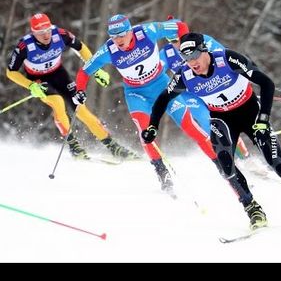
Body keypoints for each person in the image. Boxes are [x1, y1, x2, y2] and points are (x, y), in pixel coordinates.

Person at [142, 32, 281, 233]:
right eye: (186, 57)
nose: (191, 62)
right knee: (226, 168)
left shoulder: (227, 59)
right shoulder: (185, 75)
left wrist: (263, 119)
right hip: (222, 119)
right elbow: (162, 99)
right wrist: (152, 126)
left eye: (194, 55)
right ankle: (252, 209)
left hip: (251, 112)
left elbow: (266, 83)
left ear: (204, 50)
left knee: (278, 165)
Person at [73, 14, 221, 194]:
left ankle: (222, 165)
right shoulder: (108, 50)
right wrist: (80, 90)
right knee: (145, 132)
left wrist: (184, 46)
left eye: (122, 34)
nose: (118, 40)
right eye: (114, 36)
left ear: (130, 31)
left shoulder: (148, 31)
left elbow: (180, 25)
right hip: (136, 94)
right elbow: (84, 72)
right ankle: (162, 173)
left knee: (190, 126)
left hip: (162, 86)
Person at [6, 13, 137, 160]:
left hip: (58, 74)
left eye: (48, 30)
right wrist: (30, 85)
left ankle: (113, 147)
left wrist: (96, 69)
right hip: (38, 80)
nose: (46, 35)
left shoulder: (60, 34)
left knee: (80, 109)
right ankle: (73, 145)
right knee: (58, 102)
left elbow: (81, 47)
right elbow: (11, 72)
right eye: (41, 32)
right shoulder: (24, 46)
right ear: (33, 32)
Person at [160, 17, 250, 160]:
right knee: (209, 123)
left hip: (212, 88)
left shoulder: (203, 41)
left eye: (178, 39)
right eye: (172, 41)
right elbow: (156, 71)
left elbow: (226, 58)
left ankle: (245, 157)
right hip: (190, 94)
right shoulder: (167, 53)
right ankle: (233, 160)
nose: (177, 45)